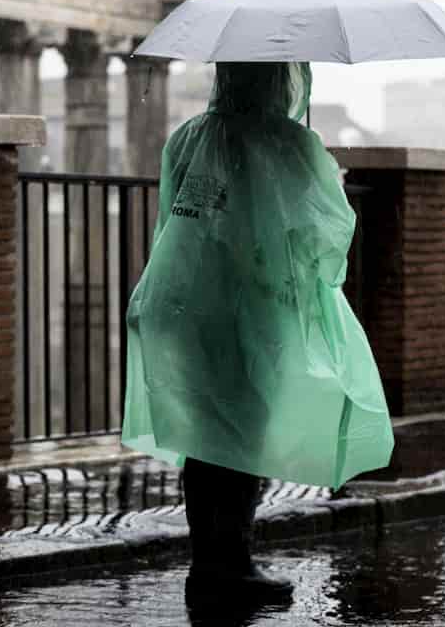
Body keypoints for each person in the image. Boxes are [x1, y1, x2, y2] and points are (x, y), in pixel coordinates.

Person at [121, 61, 395, 603]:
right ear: (282, 80)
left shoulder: (187, 137)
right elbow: (324, 230)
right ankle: (234, 566)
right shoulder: (287, 142)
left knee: (204, 436)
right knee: (246, 432)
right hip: (251, 309)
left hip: (180, 302)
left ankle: (209, 565)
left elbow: (175, 220)